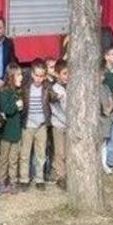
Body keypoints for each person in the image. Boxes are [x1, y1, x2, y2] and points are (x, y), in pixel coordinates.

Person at [18, 62, 52, 190]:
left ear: (44, 76)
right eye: (36, 75)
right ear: (32, 74)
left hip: (41, 125)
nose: (39, 78)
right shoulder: (26, 87)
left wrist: (53, 89)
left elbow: (53, 98)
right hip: (28, 125)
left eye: (41, 76)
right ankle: (24, 179)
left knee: (40, 154)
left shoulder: (46, 87)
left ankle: (39, 179)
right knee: (25, 154)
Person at [0, 63, 23, 192]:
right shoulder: (5, 92)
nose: (21, 77)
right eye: (18, 75)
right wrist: (16, 106)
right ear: (11, 76)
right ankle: (2, 181)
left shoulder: (18, 91)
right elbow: (6, 109)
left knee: (14, 159)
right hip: (6, 133)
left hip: (16, 132)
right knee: (4, 159)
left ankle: (13, 182)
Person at [50, 61, 68, 189]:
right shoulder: (55, 89)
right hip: (59, 125)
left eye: (69, 73)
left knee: (67, 151)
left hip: (69, 125)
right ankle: (60, 176)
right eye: (65, 73)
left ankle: (67, 173)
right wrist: (67, 121)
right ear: (57, 74)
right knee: (60, 152)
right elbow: (55, 110)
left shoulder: (70, 87)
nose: (68, 76)